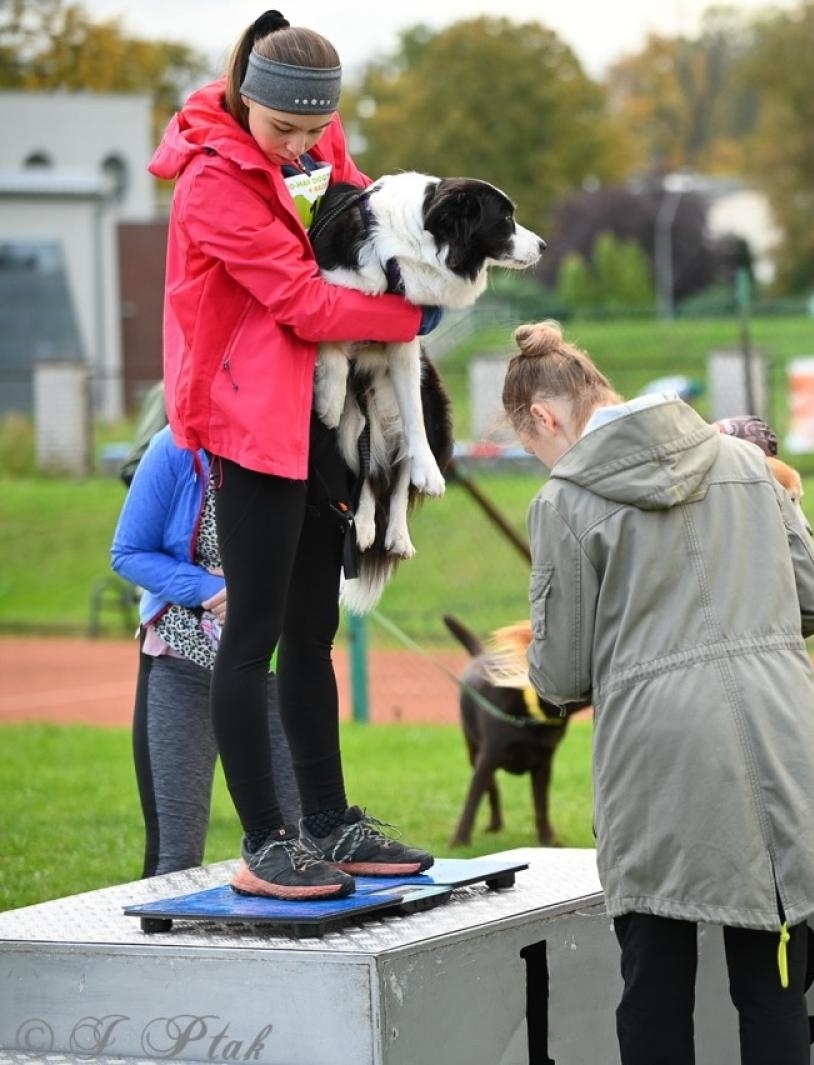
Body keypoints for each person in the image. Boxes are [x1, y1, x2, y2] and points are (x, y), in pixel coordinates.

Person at [501, 320, 814, 1065]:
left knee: (655, 977)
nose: (546, 465)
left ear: (545, 416)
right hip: (774, 737)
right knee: (770, 978)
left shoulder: (564, 501)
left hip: (654, 757)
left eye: (536, 449)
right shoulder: (747, 462)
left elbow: (562, 675)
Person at [150, 10, 438, 900]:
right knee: (256, 635)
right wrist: (417, 317)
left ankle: (331, 821)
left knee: (315, 627)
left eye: (319, 130)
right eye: (287, 131)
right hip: (246, 424)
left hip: (321, 419)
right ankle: (266, 840)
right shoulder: (211, 186)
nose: (306, 148)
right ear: (244, 99)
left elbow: (359, 216)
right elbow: (305, 303)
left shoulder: (315, 143)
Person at [112, 427, 302, 876]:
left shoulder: (296, 441)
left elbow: (325, 555)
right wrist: (212, 589)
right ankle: (162, 944)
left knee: (299, 841)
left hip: (271, 668)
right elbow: (128, 551)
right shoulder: (174, 448)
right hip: (181, 662)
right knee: (175, 855)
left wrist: (260, 595)